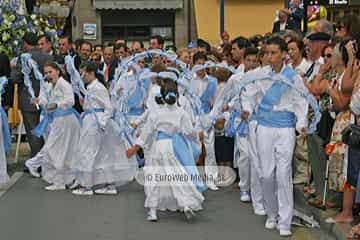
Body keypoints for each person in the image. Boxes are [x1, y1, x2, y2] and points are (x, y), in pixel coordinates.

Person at [241, 36, 308, 237]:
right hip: (264, 128)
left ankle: (285, 221)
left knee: (283, 173)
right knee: (267, 173)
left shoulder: (293, 77)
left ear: (283, 54)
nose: (269, 57)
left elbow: (301, 101)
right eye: (267, 53)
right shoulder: (259, 75)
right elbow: (247, 94)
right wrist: (246, 109)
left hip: (285, 128)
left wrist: (301, 123)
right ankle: (272, 214)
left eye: (273, 53)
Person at [126, 80, 205, 221]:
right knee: (177, 175)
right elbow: (189, 132)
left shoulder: (156, 113)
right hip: (172, 148)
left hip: (158, 147)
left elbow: (146, 133)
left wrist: (135, 148)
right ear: (177, 95)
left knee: (154, 178)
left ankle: (152, 211)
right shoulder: (181, 113)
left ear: (161, 96)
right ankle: (185, 204)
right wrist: (197, 137)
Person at [72, 61, 137, 196]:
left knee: (89, 151)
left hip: (95, 122)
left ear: (91, 73)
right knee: (103, 153)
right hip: (92, 120)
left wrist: (101, 123)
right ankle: (108, 184)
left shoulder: (97, 87)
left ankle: (87, 186)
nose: (81, 76)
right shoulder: (90, 87)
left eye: (83, 73)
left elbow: (108, 107)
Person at [31, 62, 81, 190]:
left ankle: (62, 180)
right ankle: (63, 179)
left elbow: (71, 101)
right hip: (58, 121)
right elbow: (46, 101)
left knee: (57, 150)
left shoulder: (64, 84)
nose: (48, 75)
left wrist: (57, 104)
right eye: (46, 73)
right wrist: (39, 101)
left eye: (50, 72)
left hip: (66, 121)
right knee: (57, 150)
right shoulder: (49, 86)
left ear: (57, 71)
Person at [11, 32, 52, 159]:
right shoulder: (47, 57)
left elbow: (15, 78)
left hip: (28, 99)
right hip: (45, 97)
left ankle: (37, 161)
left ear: (26, 44)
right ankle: (46, 159)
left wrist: (12, 70)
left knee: (33, 131)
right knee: (45, 129)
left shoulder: (23, 57)